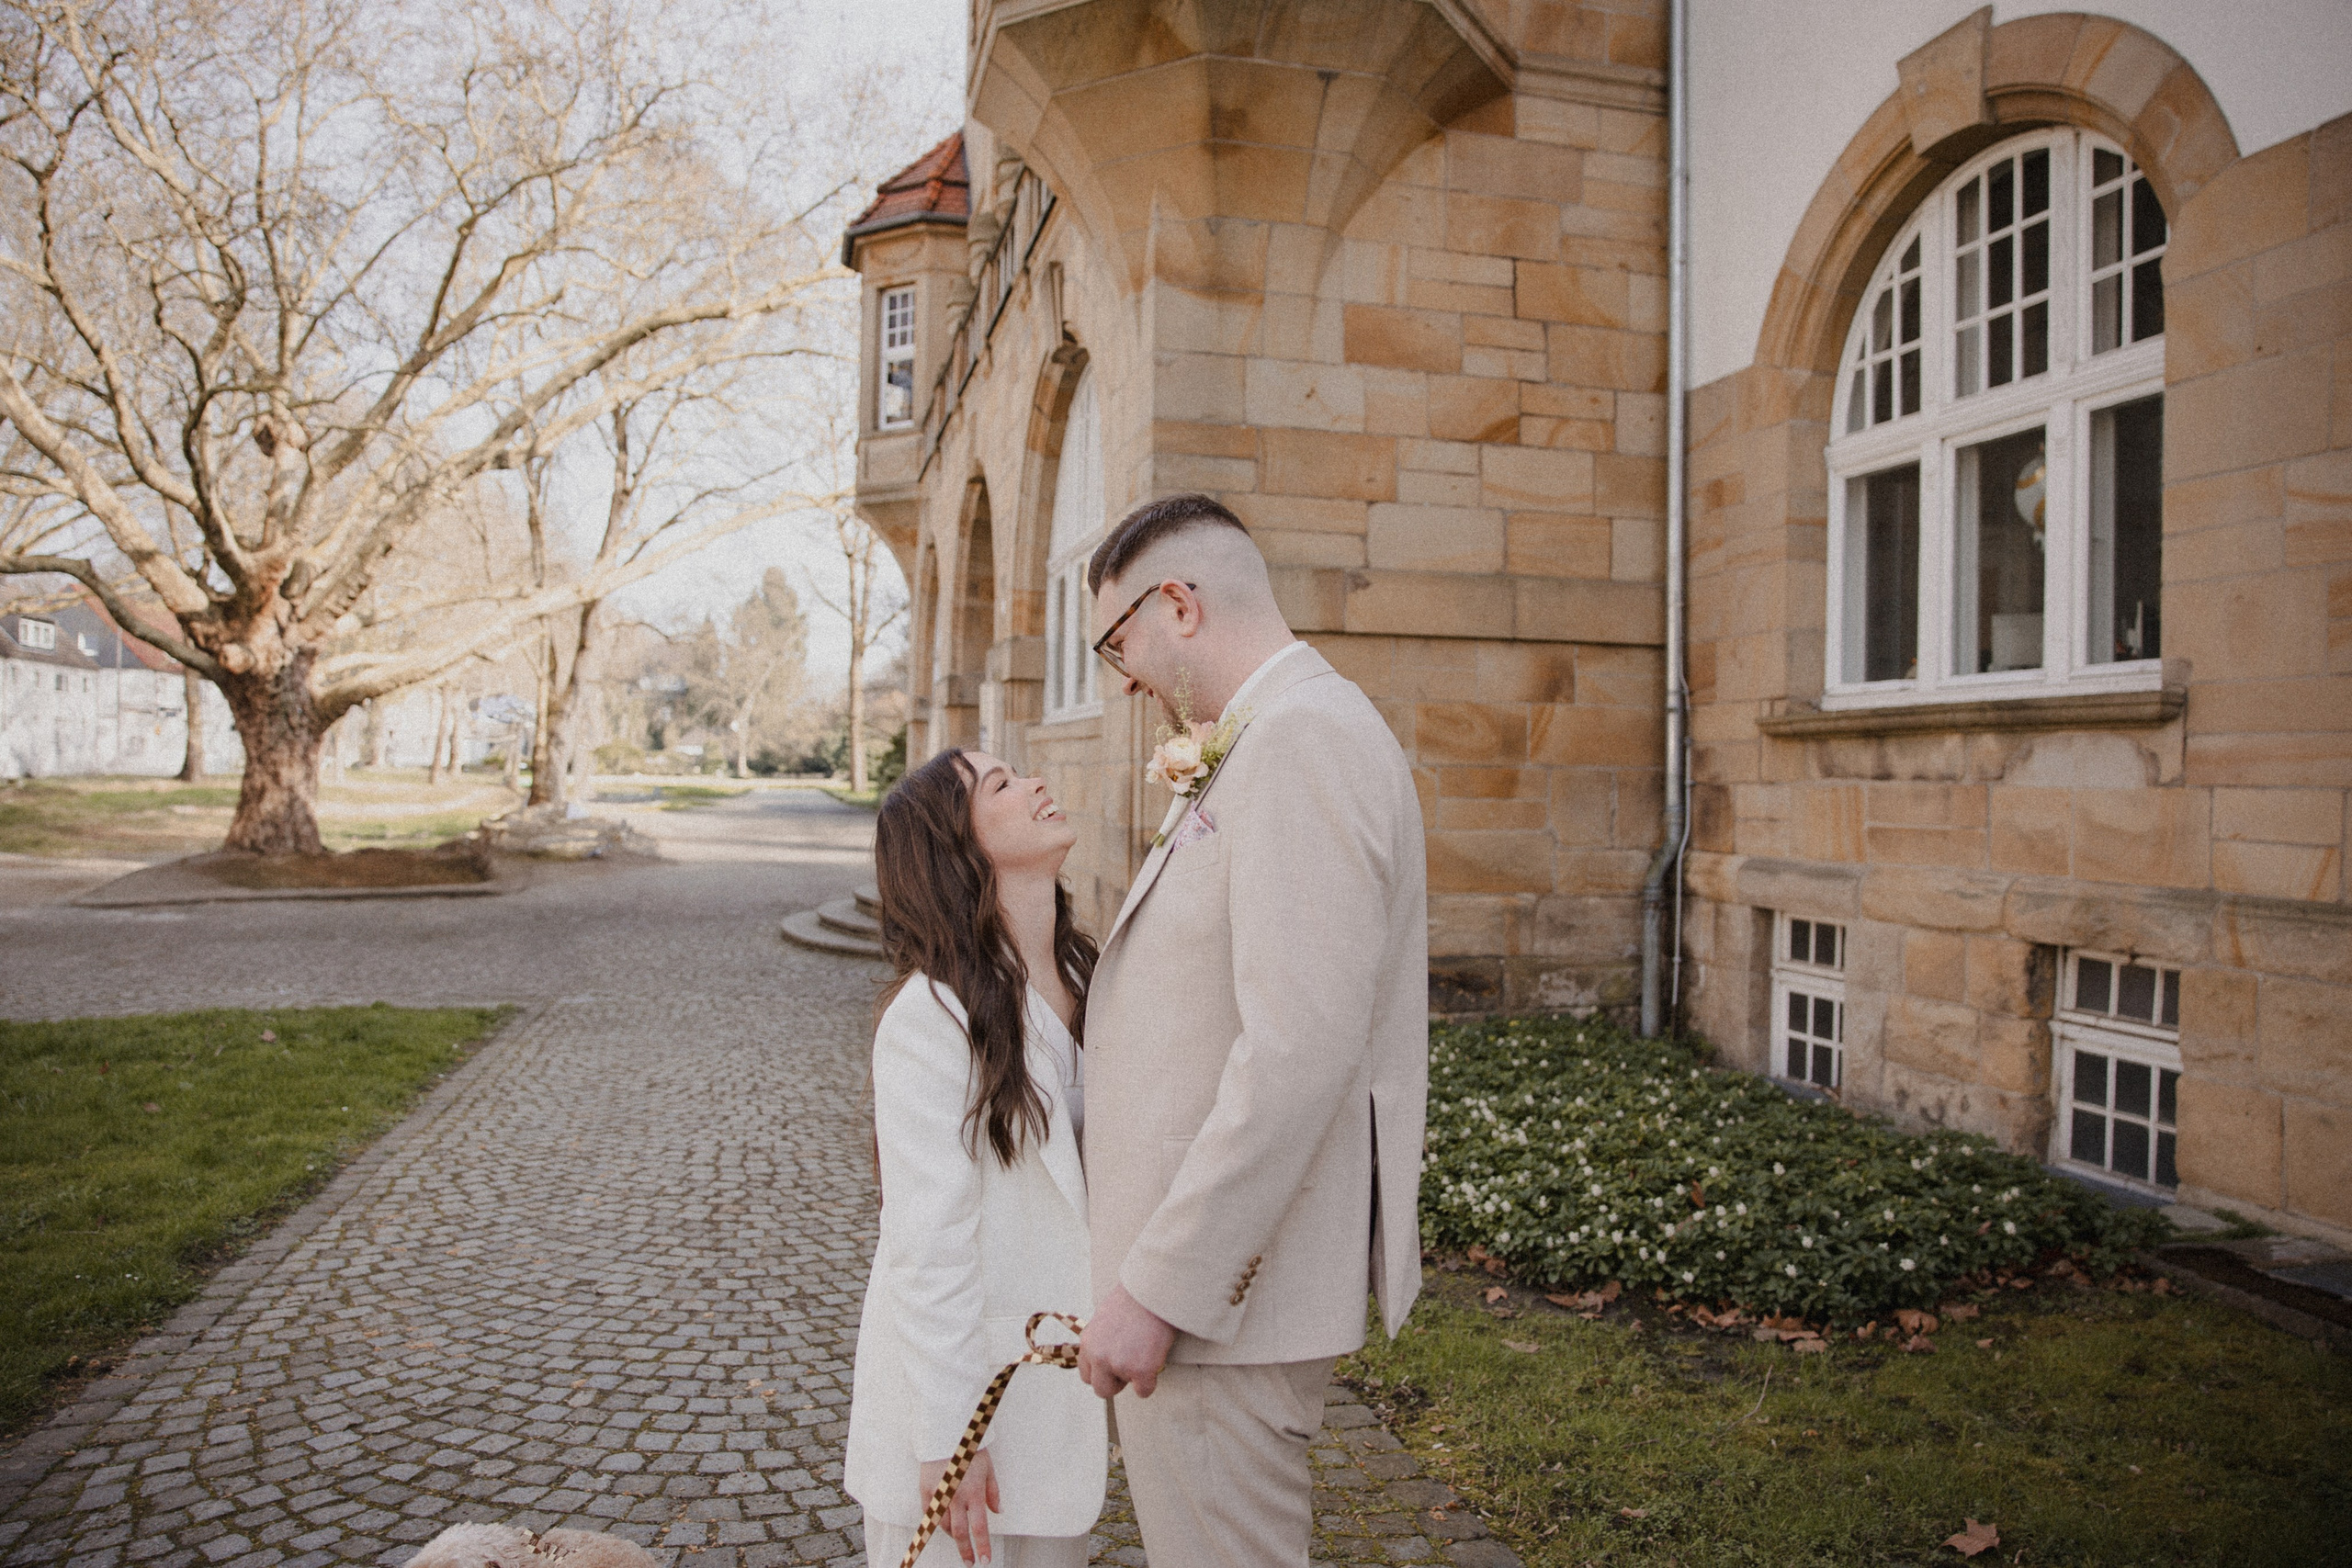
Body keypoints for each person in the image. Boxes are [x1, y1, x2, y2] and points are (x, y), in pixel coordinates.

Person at [1073, 493, 1430, 1565]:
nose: (1122, 676)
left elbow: (1297, 1049)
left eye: (1116, 641)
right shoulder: (1268, 739)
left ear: (1177, 604)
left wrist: (1159, 1288)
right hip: (1214, 1307)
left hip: (1219, 1313)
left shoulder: (1302, 741)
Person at [845, 749, 1107, 1567]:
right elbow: (928, 1244)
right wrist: (952, 1440)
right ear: (954, 848)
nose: (1035, 781)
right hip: (963, 1412)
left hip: (1057, 1402)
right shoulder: (929, 1017)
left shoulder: (1085, 972)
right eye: (999, 784)